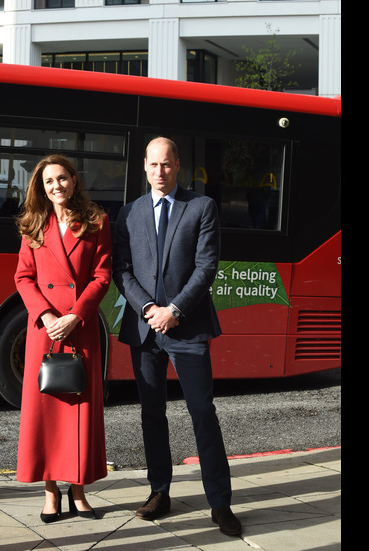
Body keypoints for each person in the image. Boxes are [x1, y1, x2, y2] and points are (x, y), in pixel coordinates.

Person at [112, 137, 242, 536]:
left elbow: (206, 267)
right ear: (144, 167)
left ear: (178, 165)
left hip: (188, 329)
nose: (159, 172)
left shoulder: (201, 207)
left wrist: (175, 311)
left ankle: (220, 503)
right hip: (145, 330)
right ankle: (159, 491)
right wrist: (149, 310)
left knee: (203, 413)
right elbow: (122, 268)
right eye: (153, 165)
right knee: (152, 414)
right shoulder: (129, 212)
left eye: (166, 165)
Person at [14, 154, 112, 523]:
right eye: (48, 181)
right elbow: (23, 277)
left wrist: (75, 315)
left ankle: (80, 490)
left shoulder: (96, 221)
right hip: (45, 330)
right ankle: (50, 491)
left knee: (79, 408)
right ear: (41, 187)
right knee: (47, 413)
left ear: (74, 180)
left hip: (80, 326)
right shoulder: (31, 224)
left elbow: (103, 275)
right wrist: (47, 315)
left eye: (62, 178)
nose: (57, 186)